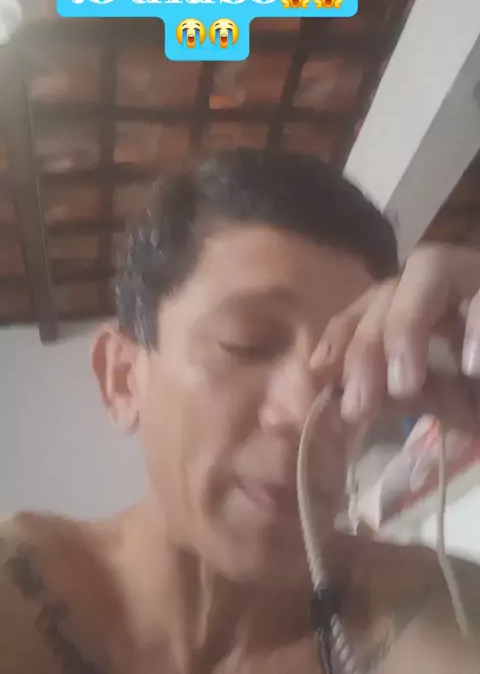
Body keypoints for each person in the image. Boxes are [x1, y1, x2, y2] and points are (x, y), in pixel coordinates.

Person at [1, 149, 480, 674]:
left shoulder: (424, 607)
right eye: (246, 343)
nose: (305, 411)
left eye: (346, 376)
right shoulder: (25, 590)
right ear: (122, 379)